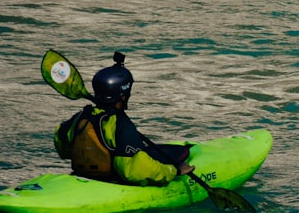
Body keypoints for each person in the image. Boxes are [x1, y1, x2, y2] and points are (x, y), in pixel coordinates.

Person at [54, 52, 194, 185]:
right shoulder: (120, 124)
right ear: (123, 95)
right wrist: (174, 171)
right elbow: (133, 170)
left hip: (82, 176)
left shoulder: (80, 117)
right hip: (111, 182)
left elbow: (62, 146)